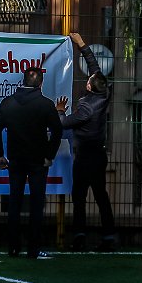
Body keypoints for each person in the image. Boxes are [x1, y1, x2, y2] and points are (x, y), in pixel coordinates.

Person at [0, 66, 63, 259]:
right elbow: (57, 131)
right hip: (38, 160)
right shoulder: (45, 105)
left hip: (16, 160)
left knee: (14, 202)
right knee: (37, 204)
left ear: (23, 81)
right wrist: (49, 155)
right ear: (40, 83)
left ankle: (13, 247)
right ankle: (33, 248)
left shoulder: (8, 103)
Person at [55, 32, 116, 252]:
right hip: (98, 155)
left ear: (90, 87)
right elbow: (94, 67)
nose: (88, 78)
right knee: (101, 196)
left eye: (89, 80)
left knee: (79, 196)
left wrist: (60, 112)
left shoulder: (86, 108)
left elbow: (64, 124)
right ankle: (108, 235)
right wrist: (82, 44)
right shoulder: (104, 93)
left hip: (85, 157)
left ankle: (80, 236)